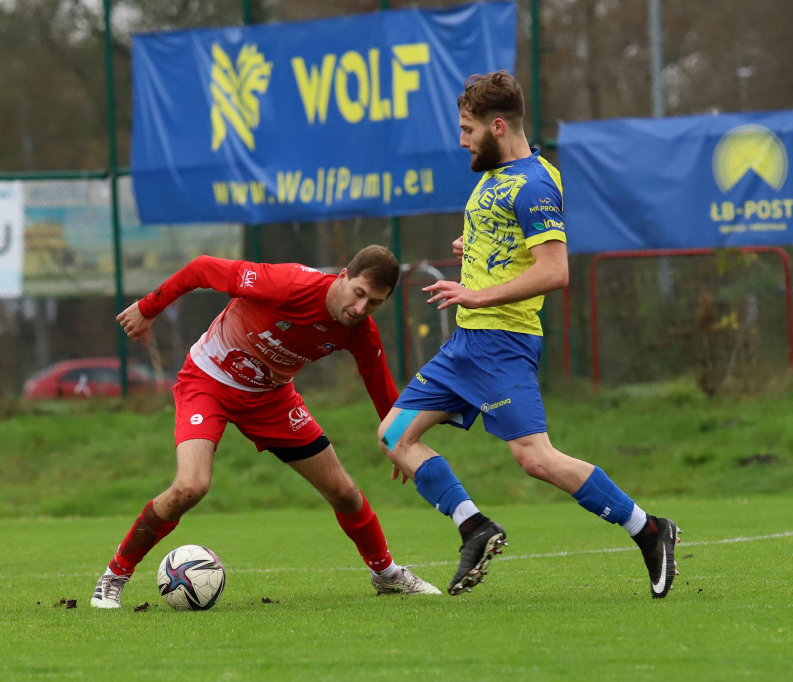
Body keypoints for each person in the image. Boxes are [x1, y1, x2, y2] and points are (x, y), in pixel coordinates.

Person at [377, 71, 682, 599]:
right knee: (394, 436)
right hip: (466, 344)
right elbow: (503, 238)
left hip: (500, 343)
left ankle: (648, 529)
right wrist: (474, 243)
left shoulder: (535, 182)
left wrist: (475, 294)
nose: (462, 140)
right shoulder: (496, 177)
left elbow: (554, 271)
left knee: (535, 457)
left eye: (468, 129)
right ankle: (475, 528)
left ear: (498, 126)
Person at [91, 245, 441, 609]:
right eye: (359, 294)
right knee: (190, 487)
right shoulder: (287, 284)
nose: (360, 308)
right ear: (342, 277)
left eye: (374, 302)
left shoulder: (359, 330)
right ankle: (114, 575)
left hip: (271, 399)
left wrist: (400, 442)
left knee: (343, 491)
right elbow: (201, 268)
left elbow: (379, 382)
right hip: (208, 380)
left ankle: (386, 574)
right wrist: (148, 308)